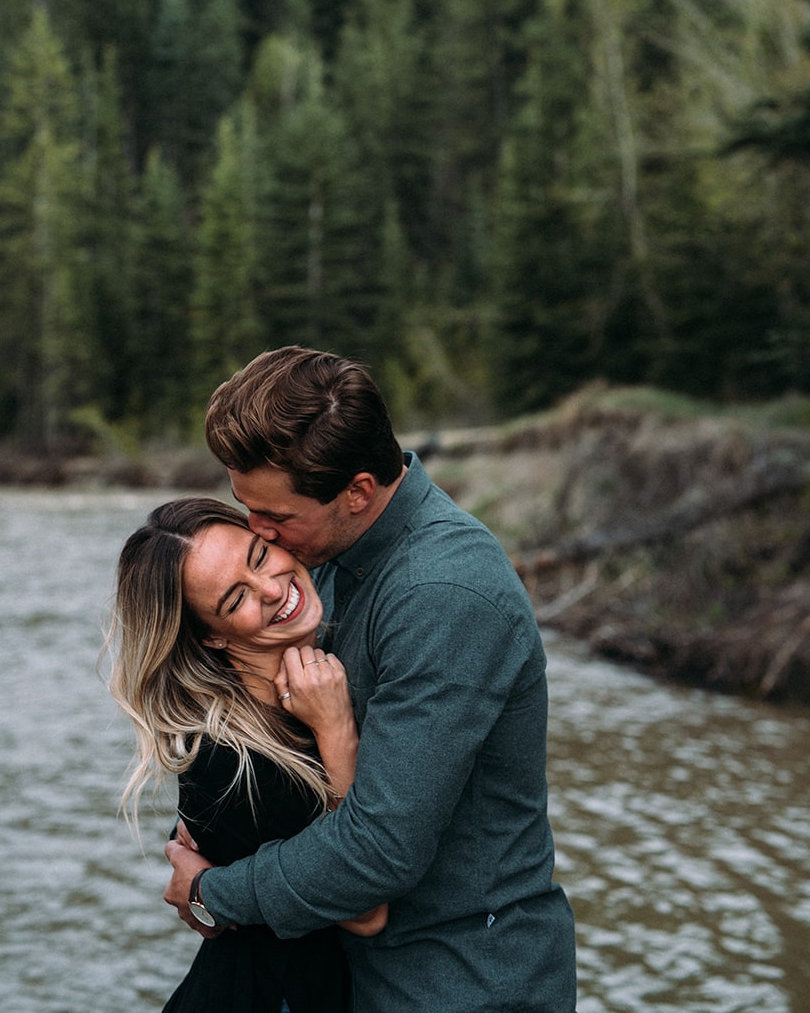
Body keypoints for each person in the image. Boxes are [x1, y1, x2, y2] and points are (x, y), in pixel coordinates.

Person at [164, 346, 578, 1013]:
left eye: (276, 518)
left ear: (357, 492)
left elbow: (380, 852)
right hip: (360, 978)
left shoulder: (444, 594)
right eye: (248, 511)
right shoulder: (322, 554)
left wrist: (217, 891)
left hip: (460, 984)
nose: (260, 534)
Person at [106, 496, 386, 1013]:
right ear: (211, 636)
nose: (274, 589)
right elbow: (365, 907)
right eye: (236, 600)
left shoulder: (314, 669)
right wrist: (337, 731)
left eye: (259, 556)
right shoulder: (230, 763)